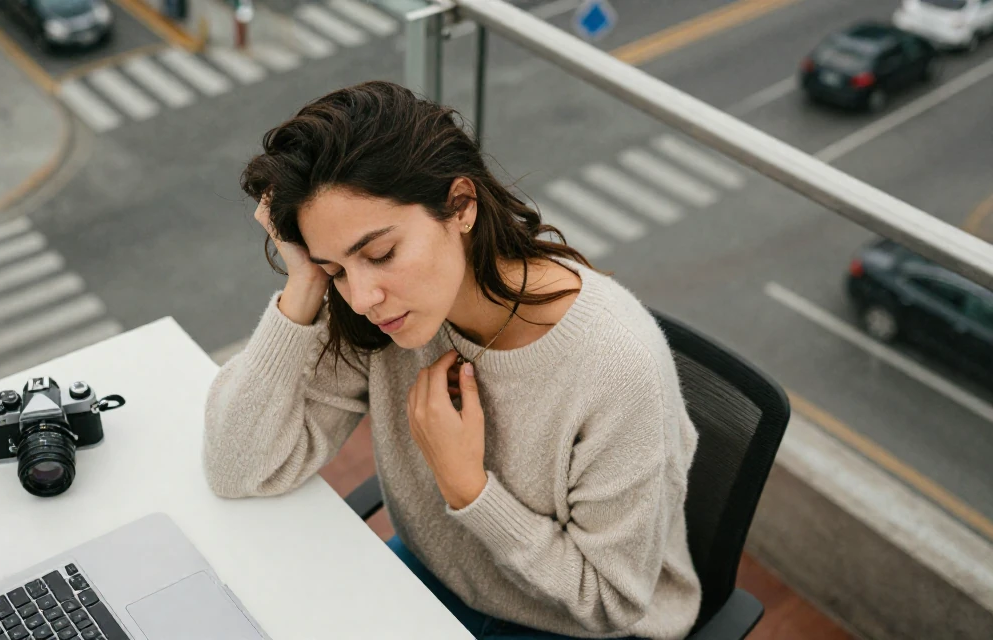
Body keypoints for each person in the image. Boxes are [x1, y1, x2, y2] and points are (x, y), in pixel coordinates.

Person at [203, 81, 701, 640]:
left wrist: (467, 486)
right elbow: (236, 466)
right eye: (337, 270)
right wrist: (303, 285)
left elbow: (610, 602)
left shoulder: (616, 368)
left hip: (573, 625)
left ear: (460, 205)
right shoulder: (386, 316)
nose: (363, 297)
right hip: (441, 580)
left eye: (381, 254)